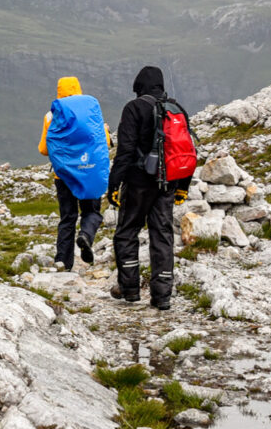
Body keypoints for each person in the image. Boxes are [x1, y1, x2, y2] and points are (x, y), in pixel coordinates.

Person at [106, 65, 191, 311]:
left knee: (127, 232)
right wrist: (182, 187)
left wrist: (114, 184)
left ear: (139, 85)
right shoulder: (175, 109)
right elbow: (186, 150)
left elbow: (125, 151)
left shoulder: (134, 108)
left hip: (138, 183)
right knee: (162, 235)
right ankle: (162, 295)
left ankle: (130, 289)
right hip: (168, 184)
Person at [39, 76, 110, 271]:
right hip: (89, 173)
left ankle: (63, 261)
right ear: (79, 89)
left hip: (64, 176)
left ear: (59, 90)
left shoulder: (51, 115)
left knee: (68, 217)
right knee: (91, 211)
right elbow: (103, 142)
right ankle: (86, 235)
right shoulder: (90, 111)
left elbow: (44, 149)